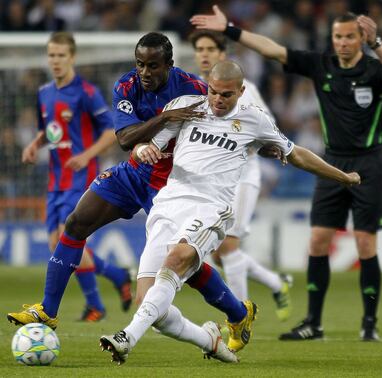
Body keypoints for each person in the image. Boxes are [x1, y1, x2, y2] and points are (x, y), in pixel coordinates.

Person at [8, 32, 257, 354]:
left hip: (170, 185)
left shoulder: (196, 90)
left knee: (183, 265)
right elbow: (125, 138)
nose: (145, 72)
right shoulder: (126, 86)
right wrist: (165, 118)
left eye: (153, 66)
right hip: (133, 174)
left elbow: (228, 124)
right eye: (140, 64)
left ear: (169, 64)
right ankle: (48, 310)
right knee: (75, 223)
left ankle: (239, 313)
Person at [99, 60, 361, 364]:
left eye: (226, 95)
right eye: (213, 92)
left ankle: (127, 337)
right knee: (148, 303)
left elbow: (295, 153)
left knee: (177, 259)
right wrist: (142, 150)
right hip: (169, 204)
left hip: (211, 206)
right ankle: (208, 339)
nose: (217, 100)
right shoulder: (186, 105)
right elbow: (144, 144)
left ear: (241, 91)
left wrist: (342, 176)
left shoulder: (255, 120)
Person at [190, 6, 382, 340]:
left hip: (369, 163)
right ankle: (313, 323)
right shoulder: (321, 66)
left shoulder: (373, 69)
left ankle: (369, 325)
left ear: (360, 38)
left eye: (350, 36)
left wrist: (377, 43)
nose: (343, 42)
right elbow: (272, 49)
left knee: (365, 243)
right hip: (332, 160)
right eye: (338, 36)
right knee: (318, 241)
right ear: (332, 38)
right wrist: (230, 29)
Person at [19, 31, 132, 322]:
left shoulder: (86, 92)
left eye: (61, 56)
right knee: (56, 244)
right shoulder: (44, 92)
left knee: (65, 239)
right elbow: (51, 129)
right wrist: (35, 143)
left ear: (72, 57)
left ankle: (95, 304)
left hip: (81, 178)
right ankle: (117, 276)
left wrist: (87, 155)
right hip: (56, 180)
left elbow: (111, 132)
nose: (55, 61)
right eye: (52, 55)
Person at [189, 29, 293, 320]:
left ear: (223, 54)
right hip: (210, 181)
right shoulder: (192, 87)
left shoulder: (242, 87)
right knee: (217, 254)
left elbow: (267, 125)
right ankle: (277, 282)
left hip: (243, 176)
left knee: (229, 245)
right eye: (200, 49)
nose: (205, 54)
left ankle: (240, 318)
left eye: (211, 48)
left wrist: (248, 146)